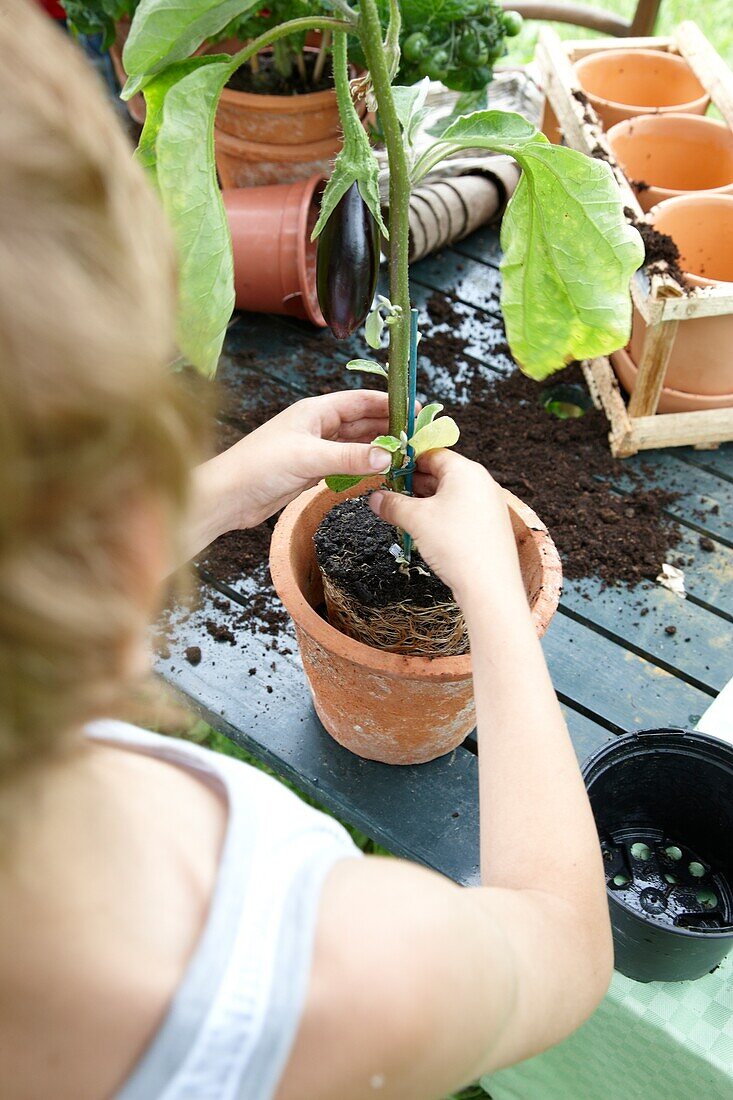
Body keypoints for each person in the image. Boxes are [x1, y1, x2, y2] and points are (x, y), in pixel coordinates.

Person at [0, 2, 613, 1098]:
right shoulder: (323, 977)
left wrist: (227, 489)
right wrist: (493, 611)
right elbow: (559, 944)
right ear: (132, 524)